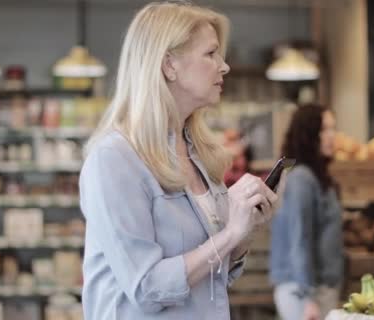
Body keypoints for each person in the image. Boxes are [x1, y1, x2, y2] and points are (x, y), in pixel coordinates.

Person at [78, 2, 280, 319]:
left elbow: (213, 276)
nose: (224, 66)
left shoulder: (199, 153)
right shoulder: (114, 161)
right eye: (211, 54)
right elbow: (147, 287)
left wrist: (244, 230)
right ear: (169, 65)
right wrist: (228, 236)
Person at [270, 104, 344, 320]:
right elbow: (299, 237)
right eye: (324, 130)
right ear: (308, 135)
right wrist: (308, 297)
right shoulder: (302, 179)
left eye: (333, 128)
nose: (331, 136)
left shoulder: (316, 177)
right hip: (303, 291)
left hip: (316, 288)